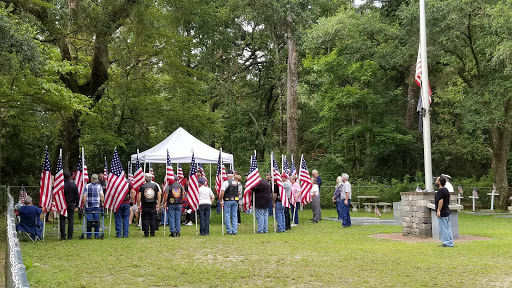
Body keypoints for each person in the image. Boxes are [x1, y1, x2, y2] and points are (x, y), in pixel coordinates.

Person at [138, 173, 161, 237]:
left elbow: (139, 196)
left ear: (145, 178)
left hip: (145, 204)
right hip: (153, 204)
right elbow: (159, 195)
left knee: (145, 219)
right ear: (151, 178)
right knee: (153, 219)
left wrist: (138, 204)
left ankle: (146, 233)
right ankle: (152, 233)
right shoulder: (155, 186)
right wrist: (158, 204)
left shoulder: (142, 186)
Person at [82, 174, 104, 239]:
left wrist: (84, 204)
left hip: (88, 206)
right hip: (97, 205)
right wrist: (102, 203)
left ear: (91, 179)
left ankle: (89, 235)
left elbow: (84, 196)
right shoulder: (99, 186)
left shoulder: (87, 186)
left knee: (89, 221)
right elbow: (102, 195)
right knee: (96, 220)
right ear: (97, 180)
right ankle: (96, 235)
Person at [435, 175, 454, 247]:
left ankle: (446, 242)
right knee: (448, 228)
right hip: (447, 211)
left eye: (437, 180)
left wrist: (438, 211)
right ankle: (450, 242)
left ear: (439, 182)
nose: (436, 181)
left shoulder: (440, 191)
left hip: (443, 212)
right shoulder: (446, 190)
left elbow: (441, 201)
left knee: (443, 228)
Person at [60, 171, 79, 240]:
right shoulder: (74, 185)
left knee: (62, 220)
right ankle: (70, 236)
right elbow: (77, 196)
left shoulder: (61, 185)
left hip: (63, 204)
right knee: (70, 220)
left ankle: (63, 236)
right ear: (70, 177)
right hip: (71, 204)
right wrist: (76, 205)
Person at [219, 170, 239, 235]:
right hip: (235, 200)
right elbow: (238, 192)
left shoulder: (225, 183)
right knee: (234, 216)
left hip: (228, 200)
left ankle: (229, 231)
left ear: (227, 175)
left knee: (227, 215)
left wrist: (220, 199)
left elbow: (222, 192)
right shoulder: (236, 183)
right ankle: (234, 230)